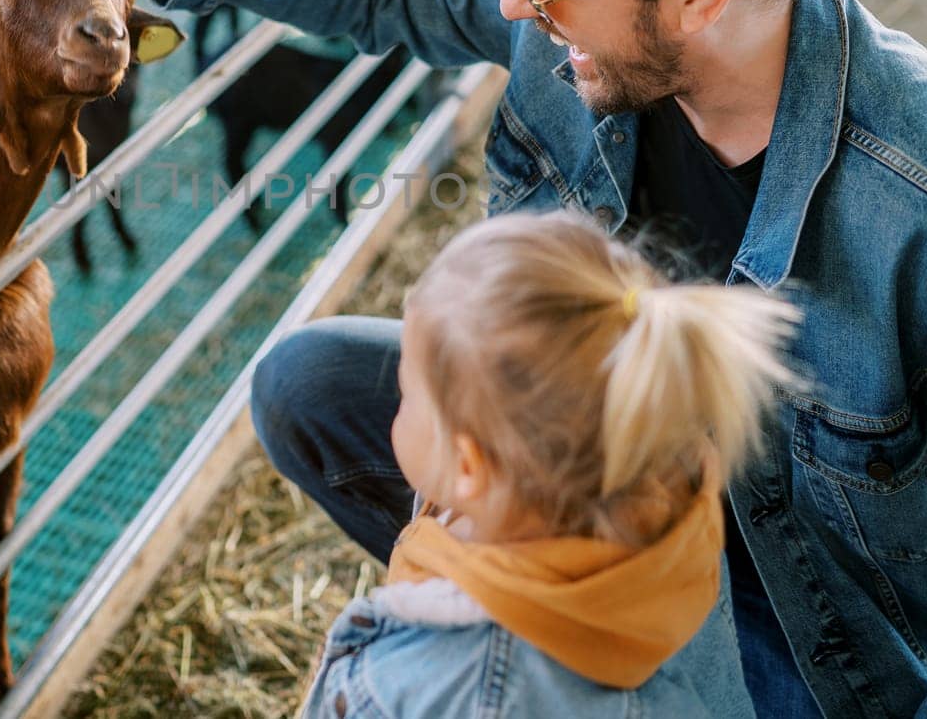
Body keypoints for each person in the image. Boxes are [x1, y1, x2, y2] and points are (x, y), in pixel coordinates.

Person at [0, 0, 927, 717]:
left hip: (813, 621)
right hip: (617, 488)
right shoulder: (578, 15)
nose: (508, 3)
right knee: (306, 385)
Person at [299, 210, 796, 718]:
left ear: (469, 467)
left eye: (406, 393)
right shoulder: (671, 495)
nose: (396, 406)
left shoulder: (441, 686)